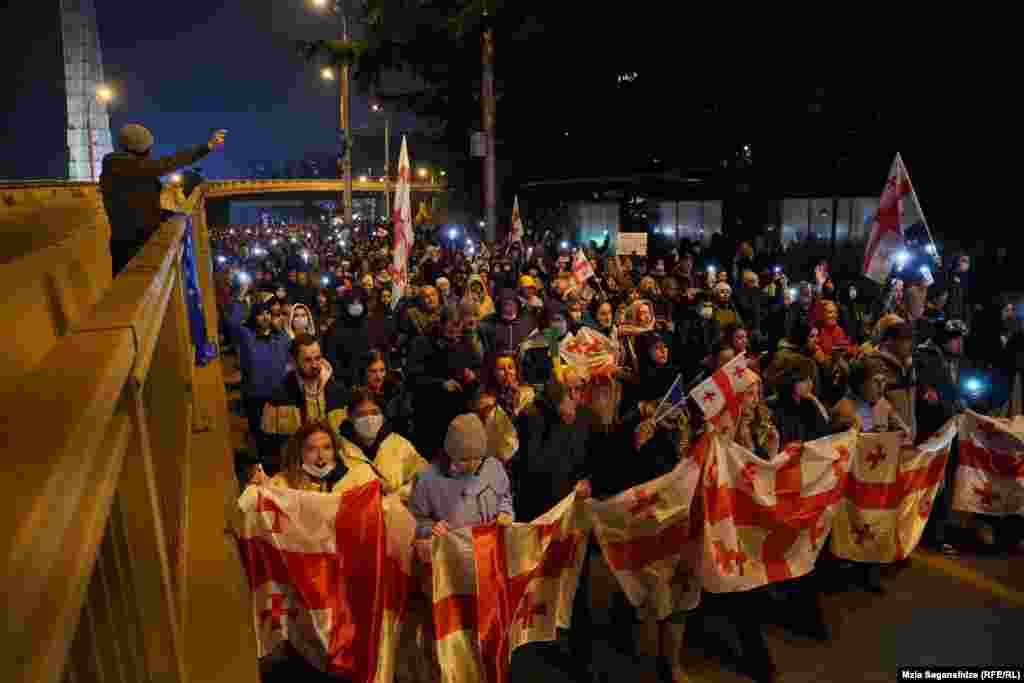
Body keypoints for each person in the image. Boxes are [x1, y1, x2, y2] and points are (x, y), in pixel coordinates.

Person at [100, 125, 224, 274]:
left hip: (123, 243)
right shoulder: (134, 168)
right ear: (142, 148)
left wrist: (165, 214)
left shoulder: (115, 168)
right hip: (137, 245)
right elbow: (172, 161)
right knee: (139, 288)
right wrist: (208, 146)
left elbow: (134, 203)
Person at [408, 413, 514, 540]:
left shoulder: (494, 468)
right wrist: (431, 529)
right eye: (464, 460)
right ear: (450, 454)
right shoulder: (426, 479)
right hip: (451, 551)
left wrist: (506, 512)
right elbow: (415, 520)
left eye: (477, 458)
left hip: (487, 546)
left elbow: (504, 498)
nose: (472, 465)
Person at [224, 295, 293, 474]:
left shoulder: (281, 338)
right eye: (261, 314)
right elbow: (232, 323)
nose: (265, 317)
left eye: (268, 313)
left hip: (278, 397)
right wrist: (239, 299)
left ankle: (281, 469)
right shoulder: (248, 337)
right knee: (261, 437)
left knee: (280, 436)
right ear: (254, 317)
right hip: (255, 397)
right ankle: (266, 471)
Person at [334, 387, 429, 502]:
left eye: (374, 413)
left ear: (383, 416)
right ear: (350, 417)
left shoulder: (399, 444)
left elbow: (423, 476)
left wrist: (400, 494)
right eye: (361, 414)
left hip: (398, 514)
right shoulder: (339, 451)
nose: (369, 419)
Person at [261, 334, 349, 451]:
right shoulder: (279, 396)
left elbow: (346, 435)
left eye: (318, 358)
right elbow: (268, 442)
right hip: (296, 463)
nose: (314, 365)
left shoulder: (338, 391)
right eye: (307, 360)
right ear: (293, 361)